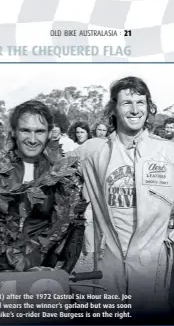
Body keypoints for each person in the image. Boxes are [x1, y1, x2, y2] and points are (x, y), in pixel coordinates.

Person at [68, 76, 174, 319]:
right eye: (127, 103)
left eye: (141, 102)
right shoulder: (92, 151)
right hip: (108, 265)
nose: (135, 109)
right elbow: (51, 173)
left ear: (149, 108)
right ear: (113, 108)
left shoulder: (168, 153)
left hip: (153, 269)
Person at [0, 100, 82, 273]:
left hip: (39, 271)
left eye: (40, 131)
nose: (33, 139)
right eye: (25, 130)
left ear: (50, 133)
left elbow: (69, 223)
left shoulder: (61, 172)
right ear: (13, 132)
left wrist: (36, 257)